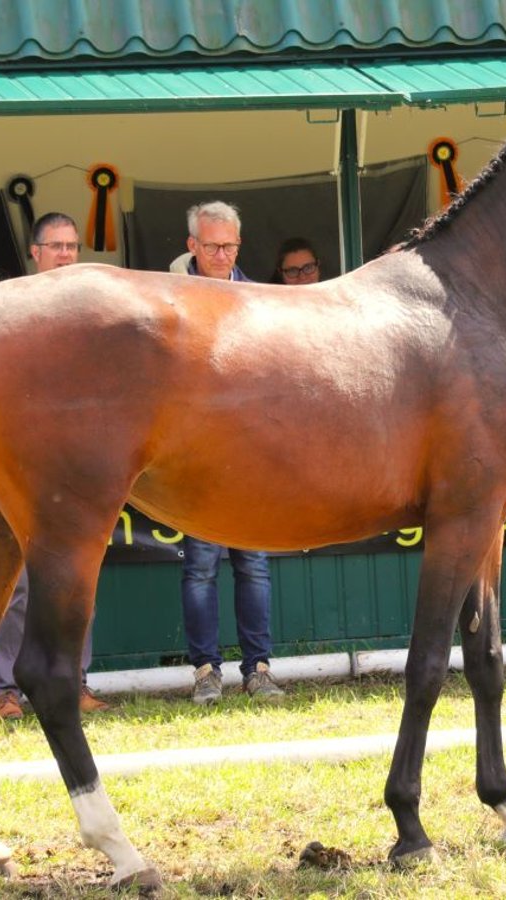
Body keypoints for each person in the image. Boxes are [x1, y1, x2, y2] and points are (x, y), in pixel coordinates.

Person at [0, 212, 108, 719]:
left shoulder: (93, 316)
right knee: (15, 584)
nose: (64, 254)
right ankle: (7, 690)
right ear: (33, 253)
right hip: (21, 464)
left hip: (76, 469)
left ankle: (74, 682)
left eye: (71, 246)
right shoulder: (11, 311)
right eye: (55, 246)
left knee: (77, 578)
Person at [178, 201, 284, 704]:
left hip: (251, 454)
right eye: (213, 245)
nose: (222, 254)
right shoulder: (171, 299)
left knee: (254, 566)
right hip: (197, 456)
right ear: (192, 246)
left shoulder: (258, 297)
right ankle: (205, 672)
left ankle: (258, 670)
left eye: (230, 245)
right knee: (200, 567)